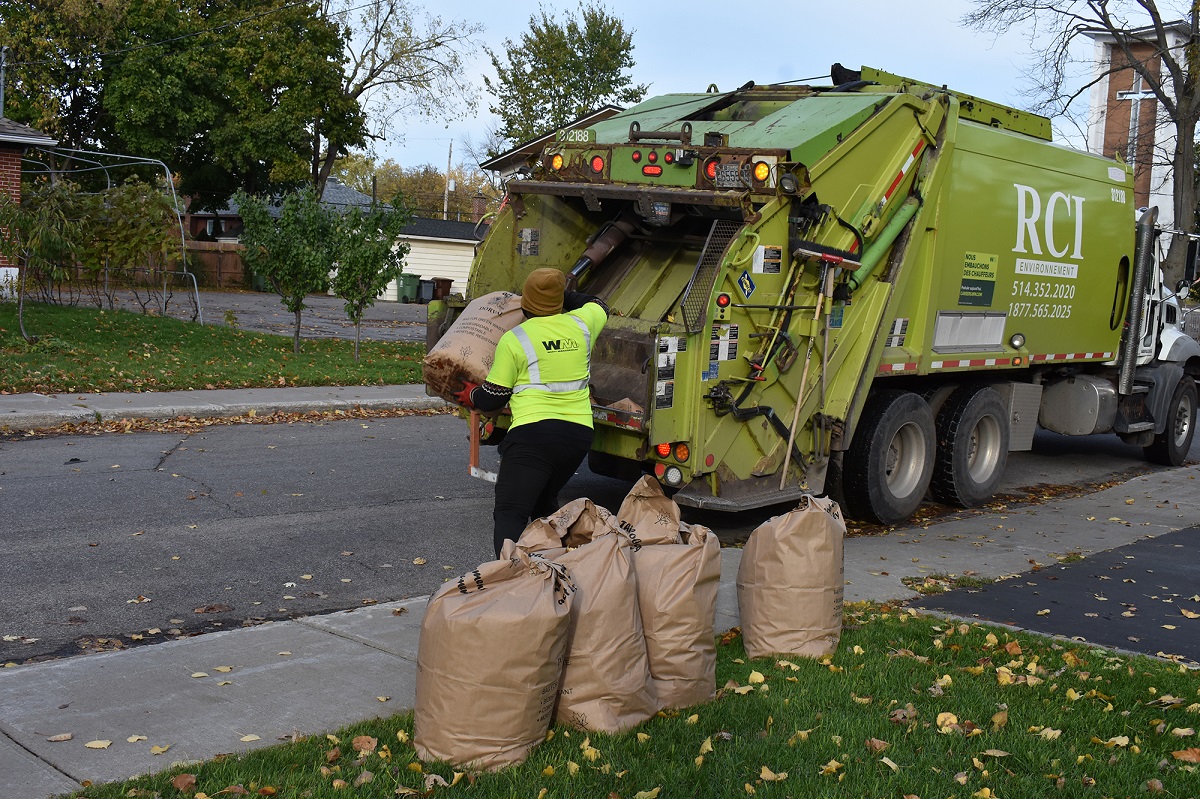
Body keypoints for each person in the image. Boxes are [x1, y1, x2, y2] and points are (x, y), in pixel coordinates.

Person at [453, 268, 608, 557]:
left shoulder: (516, 339)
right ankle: (560, 570)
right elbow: (599, 304)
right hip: (577, 437)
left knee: (511, 512)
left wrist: (469, 393)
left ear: (526, 303)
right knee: (542, 506)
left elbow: (491, 399)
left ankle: (509, 578)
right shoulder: (583, 325)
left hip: (533, 438)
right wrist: (562, 295)